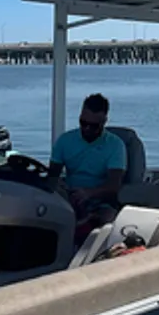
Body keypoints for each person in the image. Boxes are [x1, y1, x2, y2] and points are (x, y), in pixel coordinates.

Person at [49, 93, 127, 228]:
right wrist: (60, 187)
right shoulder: (64, 141)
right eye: (83, 123)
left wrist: (88, 193)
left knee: (109, 221)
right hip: (69, 198)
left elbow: (114, 186)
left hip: (101, 201)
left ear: (104, 121)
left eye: (93, 126)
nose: (87, 129)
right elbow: (52, 176)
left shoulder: (115, 145)